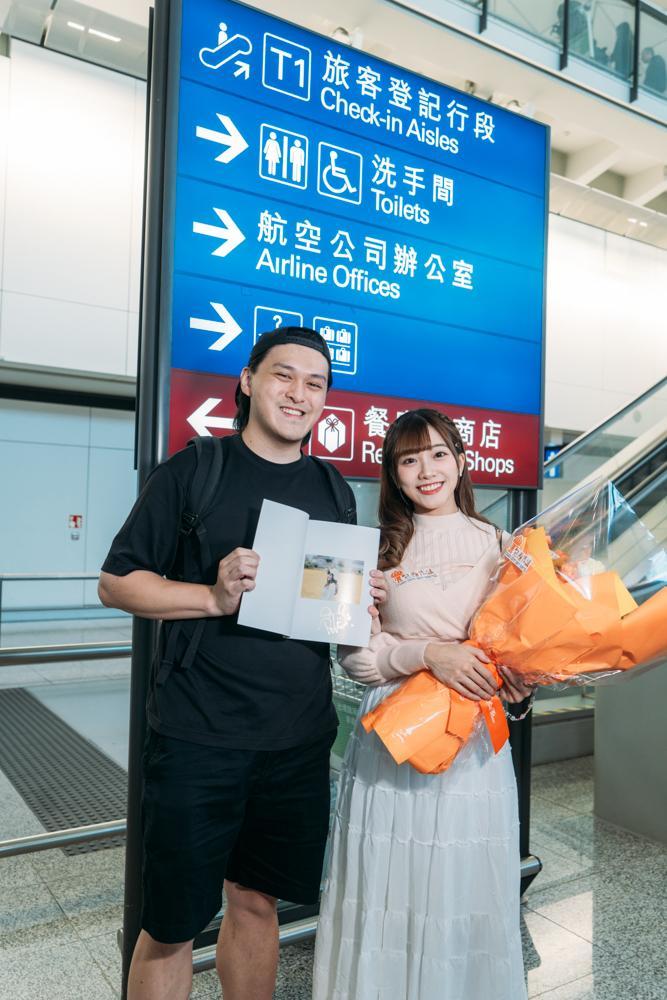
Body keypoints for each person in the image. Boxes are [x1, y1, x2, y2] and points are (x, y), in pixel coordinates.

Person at [98, 326, 386, 1000]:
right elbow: (117, 583)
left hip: (297, 740)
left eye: (315, 383)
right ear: (249, 381)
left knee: (257, 903)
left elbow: (330, 615)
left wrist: (362, 607)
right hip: (199, 737)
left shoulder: (333, 488)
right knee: (172, 925)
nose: (299, 393)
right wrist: (211, 595)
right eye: (284, 375)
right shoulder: (195, 470)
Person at [313, 408, 535, 1000]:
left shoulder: (503, 546)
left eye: (438, 454)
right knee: (389, 882)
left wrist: (519, 681)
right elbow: (354, 658)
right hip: (392, 739)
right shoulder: (371, 551)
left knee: (462, 885)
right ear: (393, 473)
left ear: (461, 461)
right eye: (409, 460)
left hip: (473, 747)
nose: (426, 470)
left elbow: (518, 645)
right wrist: (429, 654)